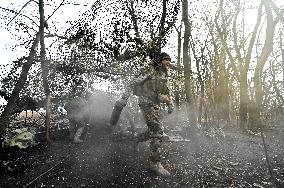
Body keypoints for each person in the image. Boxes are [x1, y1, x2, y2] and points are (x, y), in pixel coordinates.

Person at [110, 52, 174, 177]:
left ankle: (137, 139)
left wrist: (170, 104)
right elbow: (131, 83)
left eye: (170, 60)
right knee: (157, 131)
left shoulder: (164, 74)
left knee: (153, 130)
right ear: (160, 61)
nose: (169, 63)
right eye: (166, 60)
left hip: (155, 103)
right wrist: (123, 99)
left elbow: (166, 91)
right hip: (146, 102)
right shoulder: (149, 69)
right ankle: (155, 163)